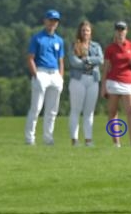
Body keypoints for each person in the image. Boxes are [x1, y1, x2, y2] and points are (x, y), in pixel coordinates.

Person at [24, 9, 64, 146]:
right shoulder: (37, 38)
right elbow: (30, 58)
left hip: (55, 73)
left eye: (55, 21)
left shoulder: (59, 40)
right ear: (45, 21)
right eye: (50, 20)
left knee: (52, 110)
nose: (52, 23)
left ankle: (48, 138)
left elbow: (61, 60)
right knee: (36, 108)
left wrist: (61, 77)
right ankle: (30, 138)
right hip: (41, 72)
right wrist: (36, 75)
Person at [101, 21, 131, 147]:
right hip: (113, 82)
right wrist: (103, 86)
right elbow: (106, 68)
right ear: (115, 31)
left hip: (128, 82)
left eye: (122, 29)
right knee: (113, 112)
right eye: (118, 29)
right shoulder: (110, 48)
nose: (120, 32)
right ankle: (116, 143)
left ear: (126, 31)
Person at [68, 20, 104, 147]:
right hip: (78, 79)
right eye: (83, 30)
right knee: (76, 110)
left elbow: (100, 59)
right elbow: (73, 62)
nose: (85, 33)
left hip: (93, 79)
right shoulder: (74, 45)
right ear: (80, 31)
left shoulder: (96, 46)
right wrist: (88, 63)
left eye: (87, 30)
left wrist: (86, 59)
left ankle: (88, 139)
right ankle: (74, 139)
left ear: (91, 32)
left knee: (89, 111)